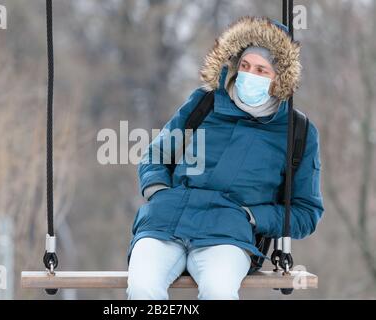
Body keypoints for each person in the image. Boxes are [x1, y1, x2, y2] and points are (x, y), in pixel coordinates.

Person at [126, 16, 324, 300]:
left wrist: (253, 217)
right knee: (143, 287)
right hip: (166, 221)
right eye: (244, 66)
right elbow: (157, 153)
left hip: (228, 236)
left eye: (261, 70)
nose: (249, 75)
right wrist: (159, 191)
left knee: (218, 291)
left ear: (280, 78)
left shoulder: (298, 132)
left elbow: (306, 212)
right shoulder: (205, 103)